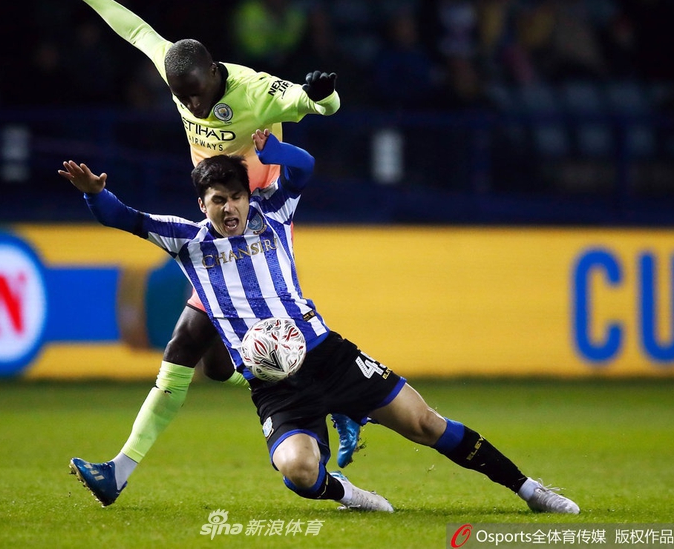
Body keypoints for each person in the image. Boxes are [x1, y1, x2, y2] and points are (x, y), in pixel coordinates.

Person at [58, 130, 581, 514]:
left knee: (426, 424)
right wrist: (92, 192)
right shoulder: (188, 241)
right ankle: (348, 494)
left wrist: (274, 154)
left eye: (237, 197)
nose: (230, 208)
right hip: (275, 385)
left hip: (329, 355)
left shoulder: (274, 216)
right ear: (204, 204)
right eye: (219, 201)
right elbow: (122, 217)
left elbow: (305, 166)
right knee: (300, 471)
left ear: (247, 196)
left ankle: (530, 489)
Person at [48, 0, 362, 503]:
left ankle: (117, 473)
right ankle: (341, 406)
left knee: (187, 343)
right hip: (223, 215)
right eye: (182, 98)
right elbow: (134, 28)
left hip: (257, 215)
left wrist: (323, 93)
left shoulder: (257, 92)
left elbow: (321, 104)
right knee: (221, 360)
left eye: (196, 97)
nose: (191, 107)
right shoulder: (180, 73)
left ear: (216, 73)